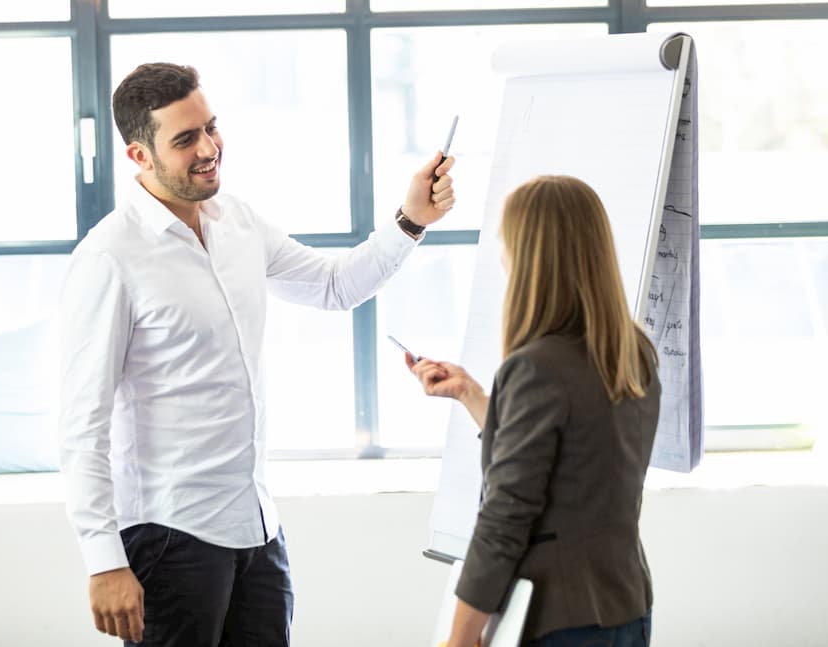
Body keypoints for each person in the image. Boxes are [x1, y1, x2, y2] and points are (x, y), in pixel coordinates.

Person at [58, 62, 455, 647]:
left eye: (211, 128)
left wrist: (411, 219)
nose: (210, 148)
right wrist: (103, 560)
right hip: (168, 536)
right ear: (139, 156)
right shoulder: (109, 258)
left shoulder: (237, 220)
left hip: (256, 528)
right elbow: (81, 424)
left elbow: (333, 286)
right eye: (185, 139)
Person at [407, 175, 660, 647]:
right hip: (626, 604)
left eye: (507, 241)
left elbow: (505, 518)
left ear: (530, 256)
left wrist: (460, 638)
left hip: (557, 618)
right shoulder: (633, 350)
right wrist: (475, 397)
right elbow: (572, 464)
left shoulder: (536, 368)